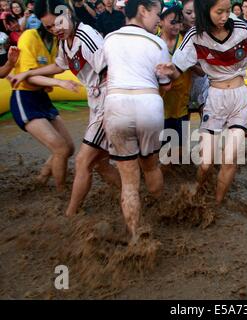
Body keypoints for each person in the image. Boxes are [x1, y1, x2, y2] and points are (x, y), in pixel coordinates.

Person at [156, 0, 247, 204]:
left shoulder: (242, 29)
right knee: (206, 162)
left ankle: (217, 203)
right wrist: (168, 71)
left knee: (229, 158)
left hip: (240, 98)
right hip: (215, 99)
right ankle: (199, 195)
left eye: (227, 11)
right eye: (219, 12)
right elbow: (177, 69)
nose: (225, 16)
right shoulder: (194, 36)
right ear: (205, 12)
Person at [11, 0, 121, 216]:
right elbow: (60, 65)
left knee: (82, 161)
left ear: (68, 13)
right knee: (99, 163)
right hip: (96, 102)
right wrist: (28, 73)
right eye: (50, 27)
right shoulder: (64, 42)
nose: (55, 30)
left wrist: (112, 107)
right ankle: (130, 195)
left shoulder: (86, 36)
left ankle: (70, 214)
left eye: (58, 23)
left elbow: (111, 69)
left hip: (107, 102)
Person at [103, 0, 170, 243]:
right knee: (151, 166)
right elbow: (166, 83)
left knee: (129, 183)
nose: (158, 20)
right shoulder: (157, 42)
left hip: (116, 106)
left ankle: (134, 238)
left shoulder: (109, 39)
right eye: (156, 14)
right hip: (148, 104)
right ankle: (161, 210)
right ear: (142, 10)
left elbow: (105, 77)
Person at [9, 21, 80, 192]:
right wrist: (59, 83)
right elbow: (27, 77)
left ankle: (41, 178)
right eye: (53, 25)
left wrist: (52, 82)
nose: (58, 29)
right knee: (61, 148)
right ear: (44, 22)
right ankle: (61, 191)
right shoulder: (29, 37)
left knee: (69, 148)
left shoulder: (57, 42)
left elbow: (55, 68)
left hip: (42, 97)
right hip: (24, 97)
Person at [159, 1, 192, 158]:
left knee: (181, 156)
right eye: (172, 21)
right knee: (163, 156)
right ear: (161, 21)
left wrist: (191, 65)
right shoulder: (154, 43)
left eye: (179, 21)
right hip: (160, 109)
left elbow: (199, 71)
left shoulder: (186, 42)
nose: (176, 26)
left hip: (181, 106)